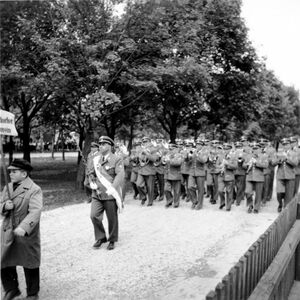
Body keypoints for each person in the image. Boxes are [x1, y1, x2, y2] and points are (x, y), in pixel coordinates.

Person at [1, 159, 43, 300]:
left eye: (14, 171)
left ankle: (32, 293)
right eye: (10, 171)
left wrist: (24, 228)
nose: (10, 174)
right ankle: (11, 289)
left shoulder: (34, 189)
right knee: (4, 260)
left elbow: (35, 211)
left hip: (25, 233)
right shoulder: (8, 187)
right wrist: (4, 206)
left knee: (29, 262)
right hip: (7, 230)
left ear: (24, 173)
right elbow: (0, 204)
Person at [85, 136, 125, 250]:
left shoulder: (116, 159)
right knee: (94, 216)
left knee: (112, 218)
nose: (100, 146)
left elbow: (120, 175)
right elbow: (91, 173)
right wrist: (91, 181)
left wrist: (113, 188)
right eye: (100, 144)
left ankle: (112, 239)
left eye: (103, 144)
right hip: (97, 193)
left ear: (110, 146)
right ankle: (101, 237)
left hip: (110, 193)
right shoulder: (96, 159)